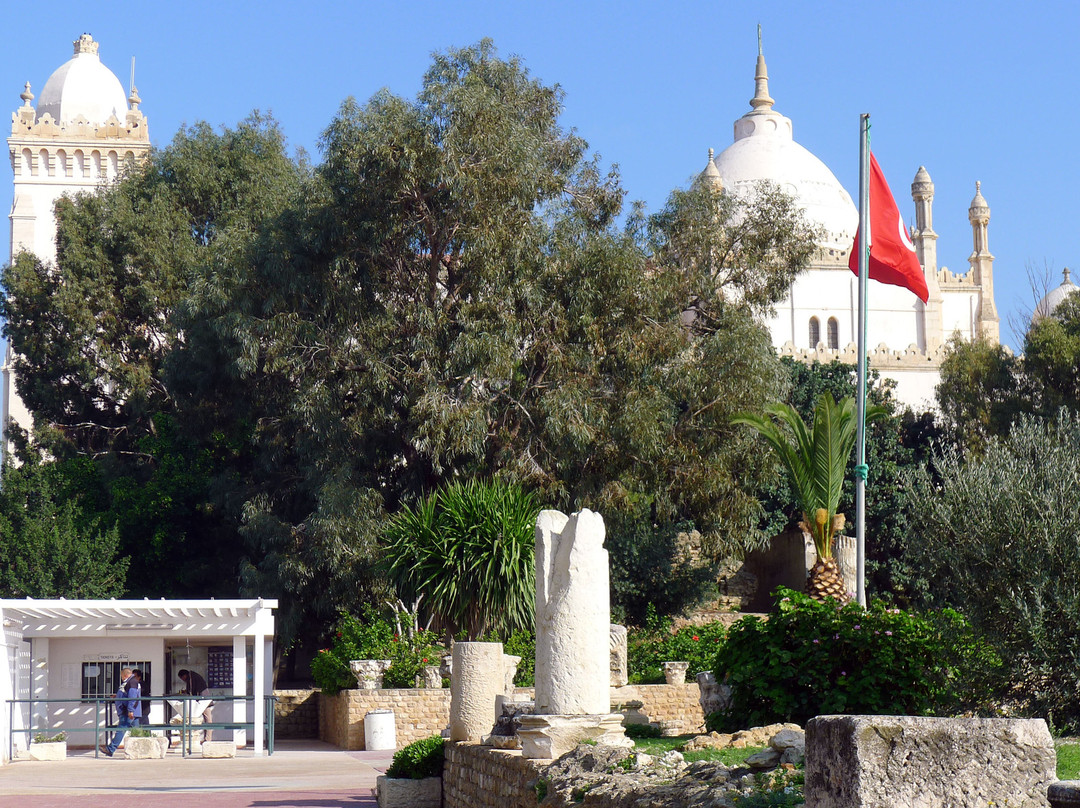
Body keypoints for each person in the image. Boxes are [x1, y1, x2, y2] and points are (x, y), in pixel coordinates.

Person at [101, 668, 141, 757]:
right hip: (130, 711)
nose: (121, 678)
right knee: (137, 732)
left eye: (121, 676)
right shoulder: (130, 682)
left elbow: (133, 697)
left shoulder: (132, 682)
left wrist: (130, 710)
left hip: (128, 712)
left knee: (121, 730)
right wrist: (118, 696)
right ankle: (142, 750)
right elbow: (128, 694)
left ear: (125, 675)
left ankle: (110, 749)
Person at [177, 669, 212, 743]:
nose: (182, 680)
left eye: (181, 678)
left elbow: (192, 691)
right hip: (202, 699)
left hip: (203, 700)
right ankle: (207, 739)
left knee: (207, 720)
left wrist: (187, 693)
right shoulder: (192, 676)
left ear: (184, 675)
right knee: (207, 720)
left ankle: (207, 740)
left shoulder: (191, 678)